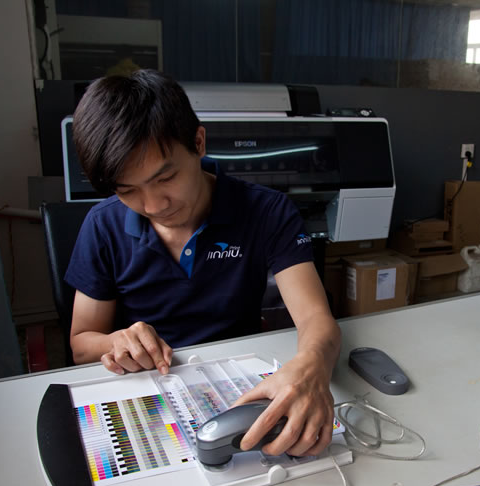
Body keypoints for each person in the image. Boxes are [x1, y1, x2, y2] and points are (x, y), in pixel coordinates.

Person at [65, 69, 341, 459]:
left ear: (198, 142)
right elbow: (81, 344)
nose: (153, 206)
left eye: (166, 178)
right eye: (128, 190)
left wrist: (311, 365)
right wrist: (117, 341)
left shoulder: (266, 211)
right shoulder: (103, 225)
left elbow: (315, 319)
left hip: (237, 385)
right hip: (149, 395)